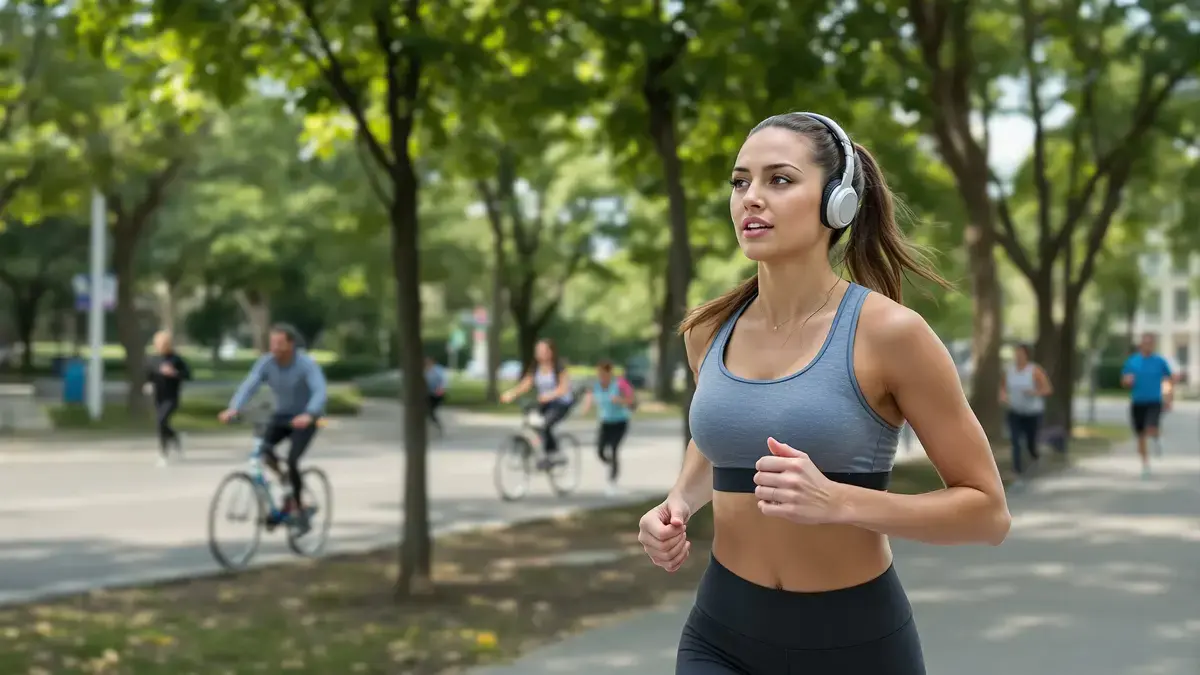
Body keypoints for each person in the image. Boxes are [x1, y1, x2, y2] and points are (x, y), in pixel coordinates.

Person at [637, 112, 1011, 674]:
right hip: (722, 636)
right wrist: (679, 503)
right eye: (740, 181)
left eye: (779, 180)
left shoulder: (891, 335)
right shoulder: (708, 331)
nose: (751, 197)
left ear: (838, 203)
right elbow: (725, 432)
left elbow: (987, 514)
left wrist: (841, 502)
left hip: (855, 645)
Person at [218, 323, 327, 534]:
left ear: (291, 345)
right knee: (263, 450)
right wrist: (234, 408)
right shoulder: (266, 363)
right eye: (272, 343)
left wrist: (310, 413)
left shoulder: (306, 364)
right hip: (282, 416)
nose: (274, 347)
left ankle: (300, 507)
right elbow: (250, 384)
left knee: (293, 460)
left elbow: (319, 390)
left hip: (306, 418)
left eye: (279, 343)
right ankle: (286, 482)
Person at [500, 338, 573, 467]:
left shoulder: (558, 367)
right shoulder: (535, 367)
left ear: (551, 352)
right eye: (538, 350)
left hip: (561, 403)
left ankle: (553, 453)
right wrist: (511, 393)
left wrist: (550, 395)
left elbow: (563, 388)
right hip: (545, 402)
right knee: (531, 422)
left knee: (545, 424)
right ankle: (535, 452)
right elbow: (526, 384)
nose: (539, 353)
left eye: (543, 350)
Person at [998, 343, 1053, 486]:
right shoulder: (1009, 371)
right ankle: (1016, 470)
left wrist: (1034, 392)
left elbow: (1047, 389)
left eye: (1021, 353)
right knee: (1015, 440)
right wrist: (1003, 396)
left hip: (1032, 413)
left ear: (1027, 355)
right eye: (1016, 353)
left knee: (1030, 443)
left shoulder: (1034, 370)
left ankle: (1034, 457)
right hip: (1015, 411)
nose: (1018, 356)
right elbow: (1003, 388)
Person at [579, 359, 635, 496]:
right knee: (600, 451)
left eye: (604, 374)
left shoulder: (619, 384)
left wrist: (620, 400)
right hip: (605, 423)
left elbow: (631, 401)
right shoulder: (597, 386)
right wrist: (585, 409)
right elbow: (589, 398)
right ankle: (612, 464)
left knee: (614, 449)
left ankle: (612, 481)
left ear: (610, 373)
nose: (601, 377)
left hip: (620, 423)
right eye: (599, 374)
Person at [1121, 332, 1173, 477]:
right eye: (1145, 343)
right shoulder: (1132, 361)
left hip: (1154, 401)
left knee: (1150, 427)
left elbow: (1168, 380)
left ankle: (1157, 438)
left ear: (1153, 345)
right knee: (1141, 436)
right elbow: (1124, 380)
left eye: (1150, 343)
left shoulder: (1160, 361)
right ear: (1141, 344)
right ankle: (1145, 465)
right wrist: (1127, 381)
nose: (1148, 345)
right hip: (1137, 402)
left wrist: (1169, 398)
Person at [144, 330, 192, 466]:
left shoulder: (175, 359)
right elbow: (149, 374)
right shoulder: (153, 359)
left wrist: (174, 373)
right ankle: (175, 438)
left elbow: (188, 375)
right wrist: (148, 384)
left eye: (164, 344)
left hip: (171, 397)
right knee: (161, 423)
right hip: (158, 396)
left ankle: (163, 453)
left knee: (161, 421)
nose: (161, 346)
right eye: (159, 344)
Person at [424, 356, 448, 435]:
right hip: (430, 394)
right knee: (428, 411)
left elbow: (443, 381)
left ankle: (438, 427)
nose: (427, 363)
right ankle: (431, 427)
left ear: (433, 362)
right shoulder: (426, 370)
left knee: (431, 411)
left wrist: (440, 391)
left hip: (437, 394)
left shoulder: (438, 370)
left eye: (428, 361)